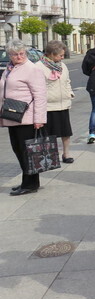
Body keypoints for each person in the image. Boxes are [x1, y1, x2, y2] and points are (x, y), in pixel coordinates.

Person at [1, 40, 46, 195]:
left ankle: (30, 184)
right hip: (12, 115)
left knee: (27, 152)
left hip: (26, 117)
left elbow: (40, 95)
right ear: (9, 55)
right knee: (18, 150)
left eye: (21, 53)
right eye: (15, 54)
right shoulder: (10, 68)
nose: (19, 56)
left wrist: (39, 119)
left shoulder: (31, 69)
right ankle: (28, 182)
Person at [36, 40, 74, 163]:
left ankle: (66, 154)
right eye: (60, 55)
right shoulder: (39, 67)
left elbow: (67, 81)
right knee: (49, 134)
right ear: (52, 54)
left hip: (63, 104)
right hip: (48, 106)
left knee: (66, 132)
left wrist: (69, 93)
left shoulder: (62, 65)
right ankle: (51, 157)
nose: (62, 57)